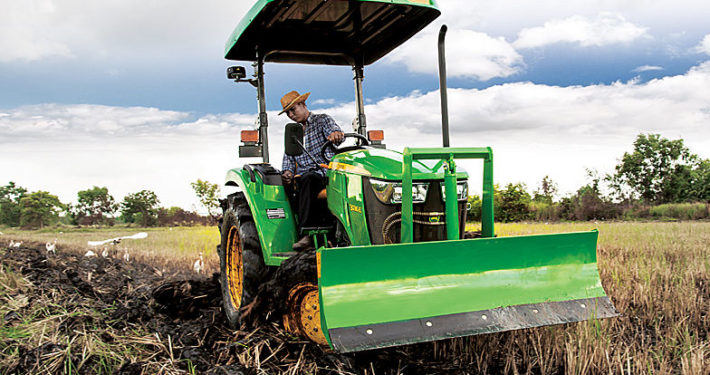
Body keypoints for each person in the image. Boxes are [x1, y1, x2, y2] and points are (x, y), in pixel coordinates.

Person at [279, 90, 344, 250]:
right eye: (288, 113)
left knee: (311, 179)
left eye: (293, 110)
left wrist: (336, 135)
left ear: (302, 104)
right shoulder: (293, 134)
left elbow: (335, 133)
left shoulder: (322, 120)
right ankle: (308, 233)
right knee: (305, 179)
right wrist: (287, 173)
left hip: (327, 173)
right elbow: (288, 158)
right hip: (306, 178)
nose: (291, 115)